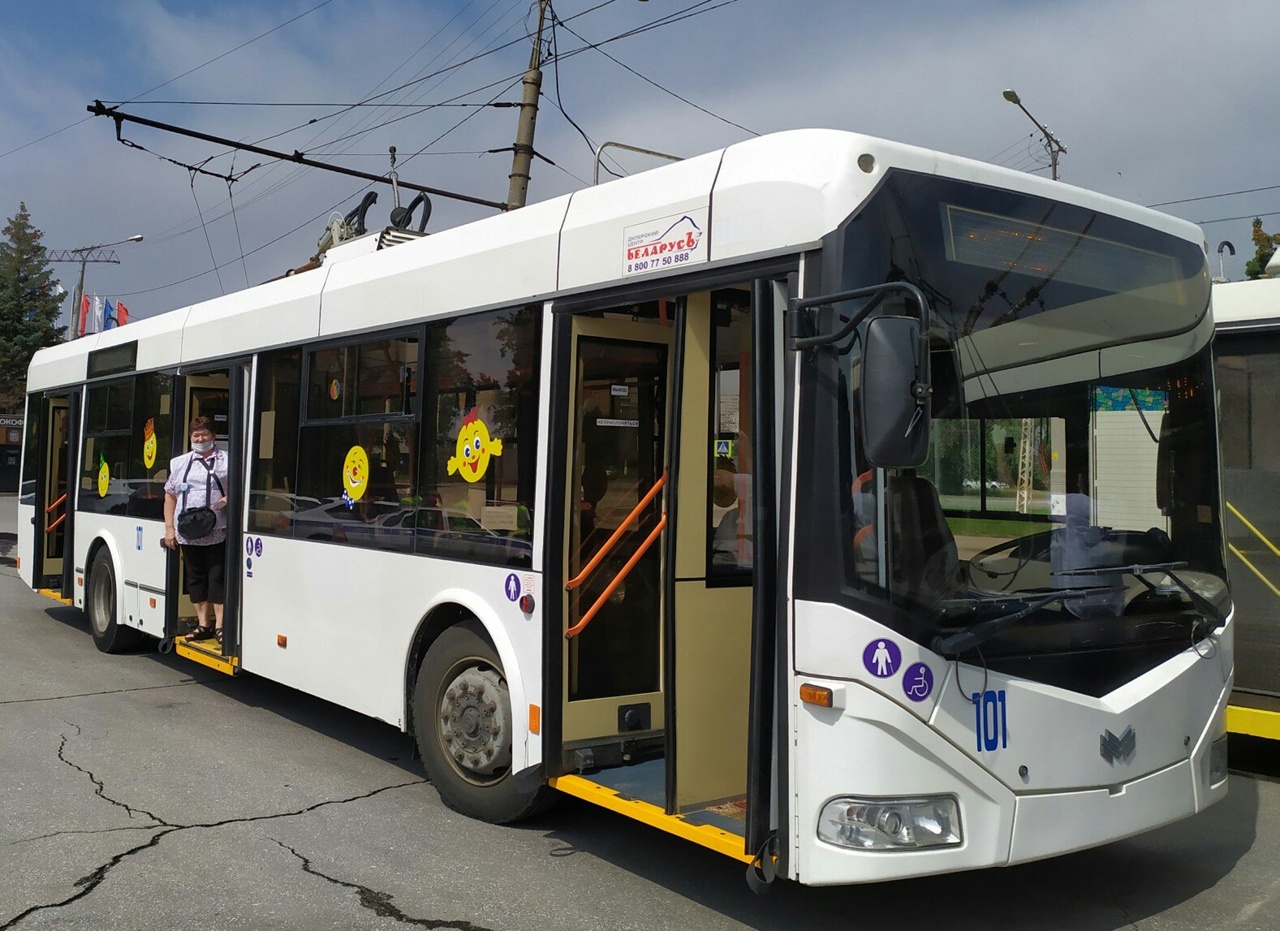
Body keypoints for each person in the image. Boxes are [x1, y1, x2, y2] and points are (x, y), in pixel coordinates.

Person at [162, 416, 230, 645]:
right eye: (196, 435)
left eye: (204, 434)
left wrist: (229, 499)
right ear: (190, 438)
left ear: (213, 436)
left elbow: (240, 489)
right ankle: (203, 624)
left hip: (217, 528)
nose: (200, 439)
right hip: (188, 531)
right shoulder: (180, 463)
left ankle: (220, 625)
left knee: (217, 576)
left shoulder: (227, 461)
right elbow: (170, 496)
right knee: (196, 578)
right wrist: (169, 529)